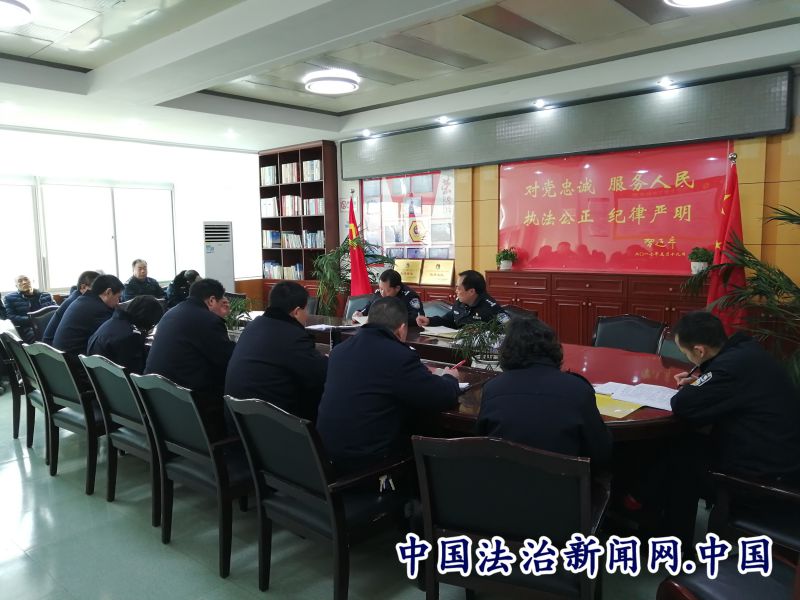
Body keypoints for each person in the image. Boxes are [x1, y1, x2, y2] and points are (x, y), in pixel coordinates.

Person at [639, 311, 800, 547]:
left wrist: (696, 387)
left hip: (767, 478)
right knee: (683, 446)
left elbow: (683, 405)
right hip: (782, 457)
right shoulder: (745, 351)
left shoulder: (728, 369)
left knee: (677, 457)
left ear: (699, 351)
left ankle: (674, 539)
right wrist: (703, 383)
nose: (687, 358)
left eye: (685, 353)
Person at [316, 296, 460, 475]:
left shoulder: (339, 351)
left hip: (326, 458)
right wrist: (450, 378)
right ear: (402, 329)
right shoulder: (398, 357)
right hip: (369, 466)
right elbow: (442, 396)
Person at [477, 317, 612, 464]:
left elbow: (481, 443)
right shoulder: (578, 389)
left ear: (506, 351)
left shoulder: (493, 388)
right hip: (563, 477)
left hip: (506, 476)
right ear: (553, 349)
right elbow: (601, 452)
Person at [225, 281, 327, 421]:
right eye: (306, 310)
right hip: (275, 426)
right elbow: (321, 374)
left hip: (239, 422)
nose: (307, 315)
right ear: (297, 312)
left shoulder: (253, 326)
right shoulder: (292, 335)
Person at [145, 278, 235, 434]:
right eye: (222, 302)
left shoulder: (171, 313)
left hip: (158, 399)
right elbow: (229, 360)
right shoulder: (207, 320)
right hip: (188, 403)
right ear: (212, 300)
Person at [87, 295, 163, 374]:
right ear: (148, 320)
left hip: (102, 377)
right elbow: (136, 373)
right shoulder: (130, 336)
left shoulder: (112, 323)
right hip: (119, 378)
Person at [52, 274, 123, 356]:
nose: (118, 302)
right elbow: (114, 335)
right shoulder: (99, 310)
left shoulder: (84, 299)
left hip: (60, 357)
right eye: (118, 297)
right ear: (108, 292)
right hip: (73, 360)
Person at [415, 270, 508, 329]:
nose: (456, 291)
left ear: (471, 291)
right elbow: (447, 320)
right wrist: (429, 321)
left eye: (459, 288)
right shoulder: (460, 302)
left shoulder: (491, 308)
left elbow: (507, 330)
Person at [43, 271, 99, 345]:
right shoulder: (78, 302)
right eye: (97, 288)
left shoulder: (76, 297)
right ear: (83, 287)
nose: (100, 292)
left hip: (53, 346)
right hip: (52, 347)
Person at [353, 269, 424, 326]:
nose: (382, 293)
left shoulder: (409, 296)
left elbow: (417, 318)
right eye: (380, 288)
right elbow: (368, 307)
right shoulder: (379, 293)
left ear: (397, 288)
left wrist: (392, 318)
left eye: (387, 290)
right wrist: (360, 313)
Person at [3, 275, 56, 343]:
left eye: (26, 279)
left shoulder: (46, 295)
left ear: (32, 281)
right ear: (16, 286)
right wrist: (34, 320)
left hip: (49, 325)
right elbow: (11, 317)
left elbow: (56, 312)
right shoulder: (9, 298)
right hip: (27, 328)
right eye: (20, 281)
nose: (24, 282)